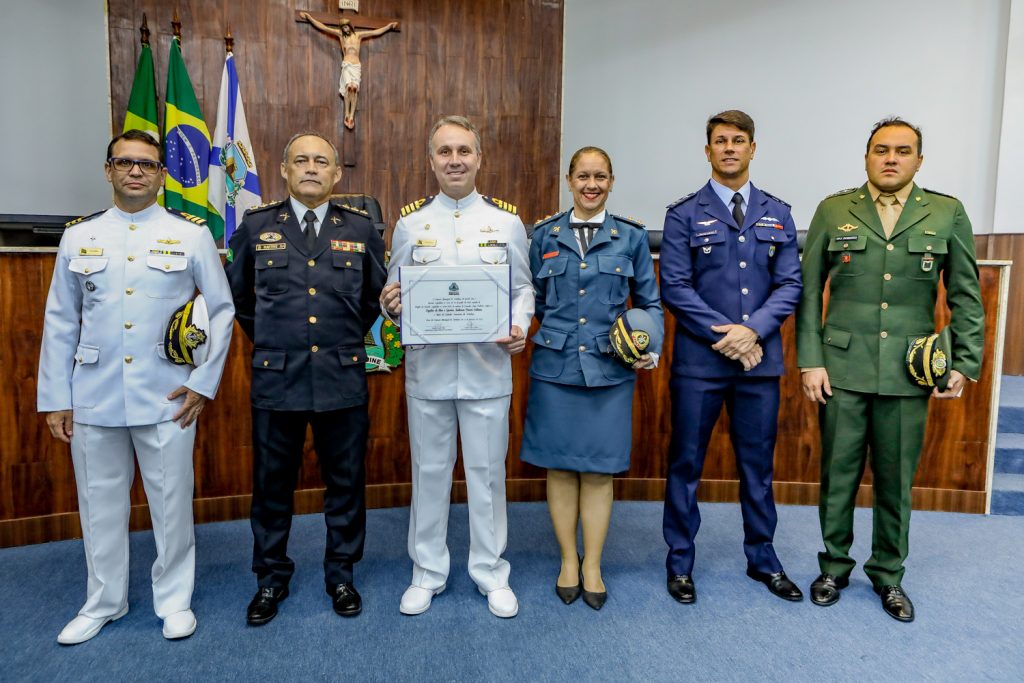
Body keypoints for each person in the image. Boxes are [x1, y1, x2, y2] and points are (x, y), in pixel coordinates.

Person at [37, 129, 234, 644]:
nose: (135, 172)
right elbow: (60, 319)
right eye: (125, 163)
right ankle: (103, 600)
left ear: (161, 175)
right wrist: (56, 396)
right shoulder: (79, 237)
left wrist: (203, 383)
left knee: (171, 503)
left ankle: (174, 600)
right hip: (93, 395)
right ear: (108, 171)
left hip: (167, 395)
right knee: (99, 503)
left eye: (146, 164)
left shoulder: (189, 235)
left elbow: (221, 309)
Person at [797, 117, 984, 622]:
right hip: (841, 369)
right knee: (838, 476)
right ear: (866, 157)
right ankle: (834, 567)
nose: (891, 158)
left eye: (903, 151)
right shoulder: (835, 210)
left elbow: (966, 295)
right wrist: (810, 360)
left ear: (919, 161)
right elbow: (810, 291)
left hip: (908, 372)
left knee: (896, 481)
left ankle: (888, 575)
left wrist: (964, 362)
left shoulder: (945, 214)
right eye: (881, 150)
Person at [225, 132, 386, 625]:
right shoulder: (255, 228)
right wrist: (280, 343)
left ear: (337, 174)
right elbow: (242, 305)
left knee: (346, 483)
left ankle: (341, 573)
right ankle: (271, 578)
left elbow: (372, 300)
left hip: (341, 377)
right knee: (272, 486)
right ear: (283, 170)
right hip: (279, 379)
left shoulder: (361, 230)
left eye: (322, 161)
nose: (311, 168)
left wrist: (338, 342)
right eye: (302, 160)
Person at [380, 115, 534, 618]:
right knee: (429, 474)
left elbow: (523, 289)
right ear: (431, 162)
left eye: (463, 150)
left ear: (479, 158)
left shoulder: (506, 223)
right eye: (444, 152)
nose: (454, 160)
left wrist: (519, 325)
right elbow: (394, 294)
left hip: (488, 371)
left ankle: (491, 572)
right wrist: (391, 304)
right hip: (430, 373)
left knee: (487, 476)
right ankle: (427, 572)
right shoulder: (412, 224)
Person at [659, 110, 803, 605]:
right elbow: (675, 287)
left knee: (758, 467)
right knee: (686, 464)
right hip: (700, 364)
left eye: (738, 140)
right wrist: (730, 336)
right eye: (720, 141)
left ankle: (763, 558)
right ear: (707, 151)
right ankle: (680, 562)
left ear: (752, 148)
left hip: (759, 365)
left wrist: (753, 331)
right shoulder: (683, 214)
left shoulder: (778, 212)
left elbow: (790, 284)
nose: (729, 148)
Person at [521, 146, 662, 610]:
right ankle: (567, 559)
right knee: (560, 468)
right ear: (569, 179)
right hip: (555, 369)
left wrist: (648, 344)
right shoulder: (543, 234)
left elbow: (649, 303)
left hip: (610, 370)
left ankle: (593, 564)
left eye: (600, 176)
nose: (591, 184)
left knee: (600, 471)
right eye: (583, 176)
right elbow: (532, 299)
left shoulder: (632, 237)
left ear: (612, 181)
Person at [301, 12, 399, 130]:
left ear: (350, 26)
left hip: (356, 66)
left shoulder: (358, 36)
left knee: (354, 89)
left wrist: (388, 26)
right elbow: (324, 27)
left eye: (346, 27)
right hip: (347, 65)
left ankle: (351, 115)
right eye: (343, 28)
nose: (345, 29)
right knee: (349, 87)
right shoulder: (341, 36)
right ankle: (346, 114)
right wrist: (310, 18)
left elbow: (375, 32)